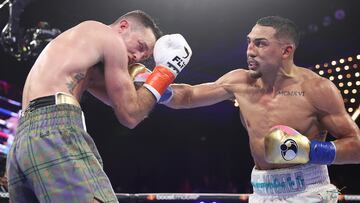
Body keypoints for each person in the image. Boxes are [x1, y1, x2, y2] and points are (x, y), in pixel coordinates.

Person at [159, 16, 360, 202]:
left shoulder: (316, 89)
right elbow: (189, 96)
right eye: (249, 42)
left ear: (286, 51)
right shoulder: (240, 81)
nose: (250, 50)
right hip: (261, 192)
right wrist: (155, 85)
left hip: (308, 192)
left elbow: (357, 147)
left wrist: (311, 151)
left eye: (260, 43)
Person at [6, 10, 192, 202]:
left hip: (22, 141)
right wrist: (166, 71)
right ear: (123, 26)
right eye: (140, 46)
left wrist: (223, 88)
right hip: (54, 132)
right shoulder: (109, 38)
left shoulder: (79, 55)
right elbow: (131, 115)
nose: (138, 56)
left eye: (144, 56)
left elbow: (181, 96)